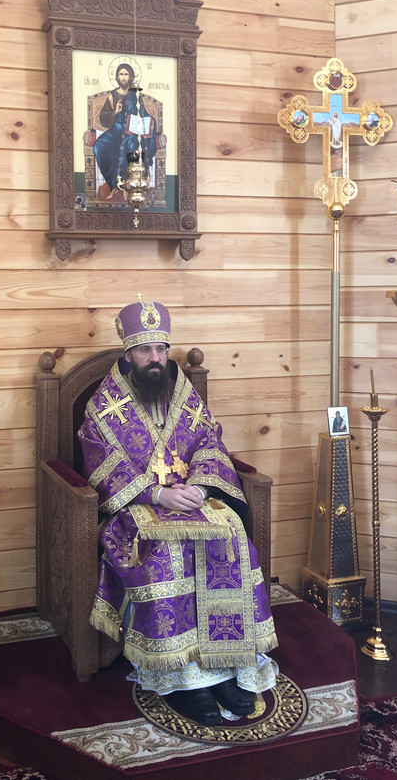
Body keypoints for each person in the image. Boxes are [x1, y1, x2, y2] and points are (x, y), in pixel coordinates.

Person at [79, 299, 279, 726]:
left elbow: (210, 441)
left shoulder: (184, 394)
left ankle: (226, 666)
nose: (155, 358)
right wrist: (156, 494)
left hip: (192, 498)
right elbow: (101, 464)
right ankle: (185, 680)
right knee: (164, 555)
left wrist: (200, 488)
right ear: (128, 354)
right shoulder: (103, 405)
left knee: (230, 538)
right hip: (137, 508)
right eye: (145, 349)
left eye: (160, 348)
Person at [92, 63, 158, 200]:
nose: (123, 77)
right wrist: (115, 112)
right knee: (99, 146)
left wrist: (150, 121)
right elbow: (103, 117)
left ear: (130, 77)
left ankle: (133, 185)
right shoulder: (113, 95)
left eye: (126, 74)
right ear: (117, 77)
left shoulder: (135, 94)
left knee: (133, 146)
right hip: (116, 130)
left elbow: (142, 113)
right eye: (121, 74)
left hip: (131, 132)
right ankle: (113, 184)